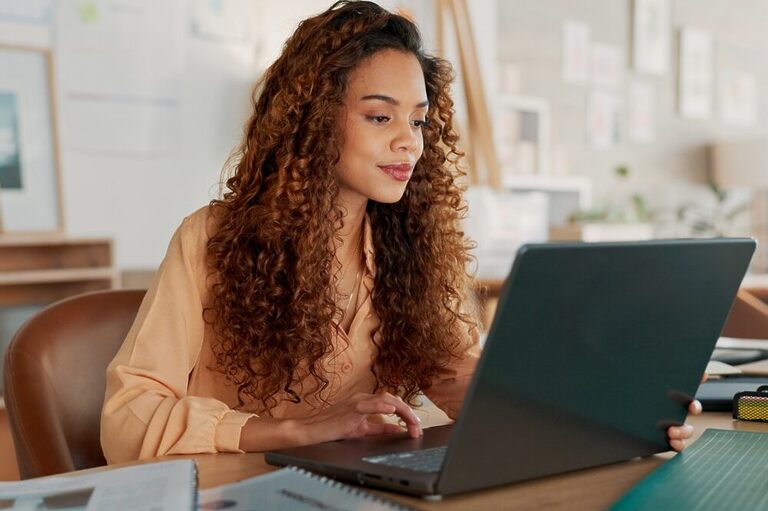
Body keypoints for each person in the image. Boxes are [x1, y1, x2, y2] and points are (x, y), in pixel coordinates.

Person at [100, 0, 698, 463]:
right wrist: (296, 430)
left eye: (417, 120)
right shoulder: (212, 237)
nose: (409, 141)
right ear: (312, 121)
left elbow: (459, 379)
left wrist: (601, 411)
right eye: (380, 116)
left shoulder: (411, 247)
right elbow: (128, 417)